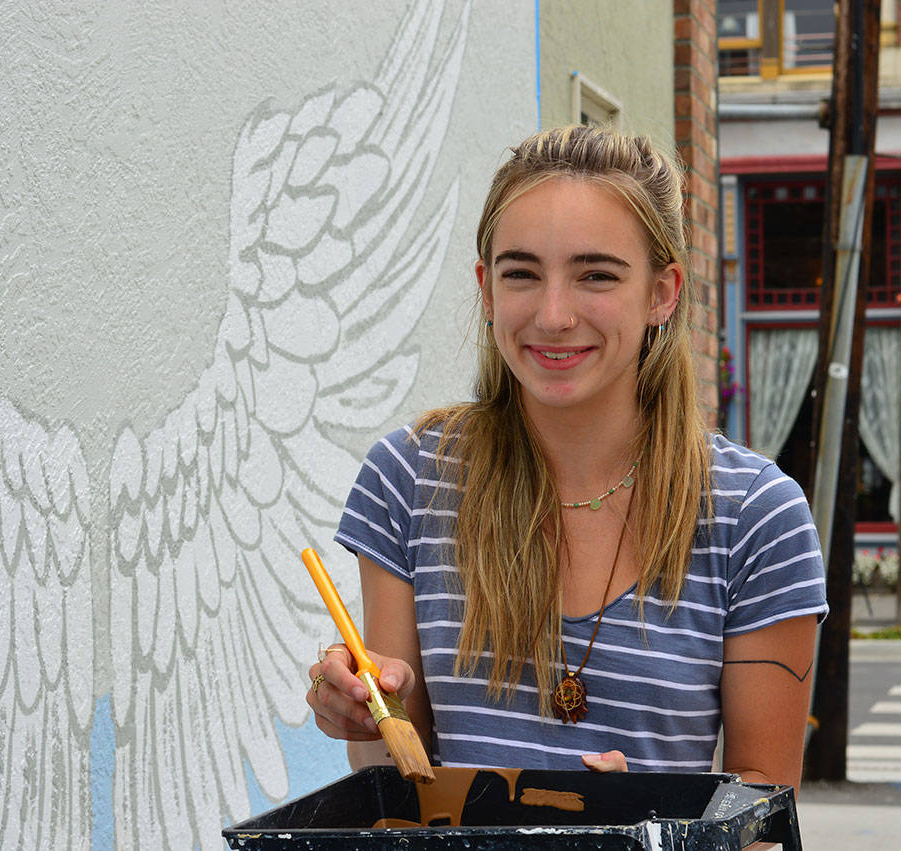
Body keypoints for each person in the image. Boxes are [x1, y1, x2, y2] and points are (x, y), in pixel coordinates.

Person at [307, 124, 827, 790]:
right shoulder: (410, 477)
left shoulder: (756, 516)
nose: (553, 314)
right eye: (521, 273)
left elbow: (762, 808)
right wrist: (362, 706)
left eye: (596, 275)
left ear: (662, 292)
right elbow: (392, 770)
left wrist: (648, 817)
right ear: (487, 289)